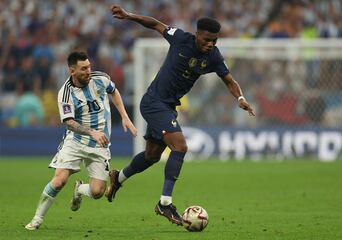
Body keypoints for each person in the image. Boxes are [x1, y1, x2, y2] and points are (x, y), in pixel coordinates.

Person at [106, 5, 255, 226]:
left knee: (152, 156)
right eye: (206, 39)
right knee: (180, 147)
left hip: (169, 107)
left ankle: (117, 179)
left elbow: (230, 81)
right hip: (154, 102)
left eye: (214, 40)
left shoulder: (213, 56)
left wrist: (241, 99)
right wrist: (128, 16)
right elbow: (156, 24)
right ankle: (164, 203)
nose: (210, 44)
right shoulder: (180, 38)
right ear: (197, 35)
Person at [25, 51, 137, 230]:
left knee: (98, 192)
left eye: (89, 66)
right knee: (59, 180)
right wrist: (91, 132)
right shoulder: (65, 93)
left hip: (100, 144)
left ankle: (79, 189)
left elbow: (114, 92)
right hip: (76, 141)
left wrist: (124, 116)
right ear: (72, 71)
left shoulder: (101, 78)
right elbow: (69, 123)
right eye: (83, 68)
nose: (88, 71)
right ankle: (36, 220)